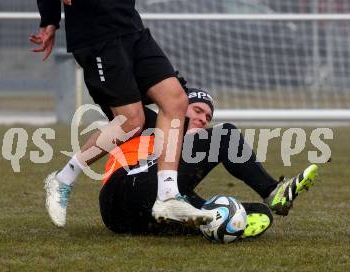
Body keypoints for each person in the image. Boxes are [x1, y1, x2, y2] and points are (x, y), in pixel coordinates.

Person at [30, 0, 213, 227]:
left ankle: (167, 196)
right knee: (132, 121)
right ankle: (63, 179)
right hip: (97, 35)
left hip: (131, 27)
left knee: (176, 100)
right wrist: (50, 19)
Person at [99, 86, 318, 236]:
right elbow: (111, 96)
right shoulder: (151, 120)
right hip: (124, 190)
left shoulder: (180, 161)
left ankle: (224, 226)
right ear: (177, 106)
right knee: (225, 135)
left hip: (132, 220)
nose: (203, 119)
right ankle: (273, 191)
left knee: (247, 214)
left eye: (207, 117)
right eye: (197, 110)